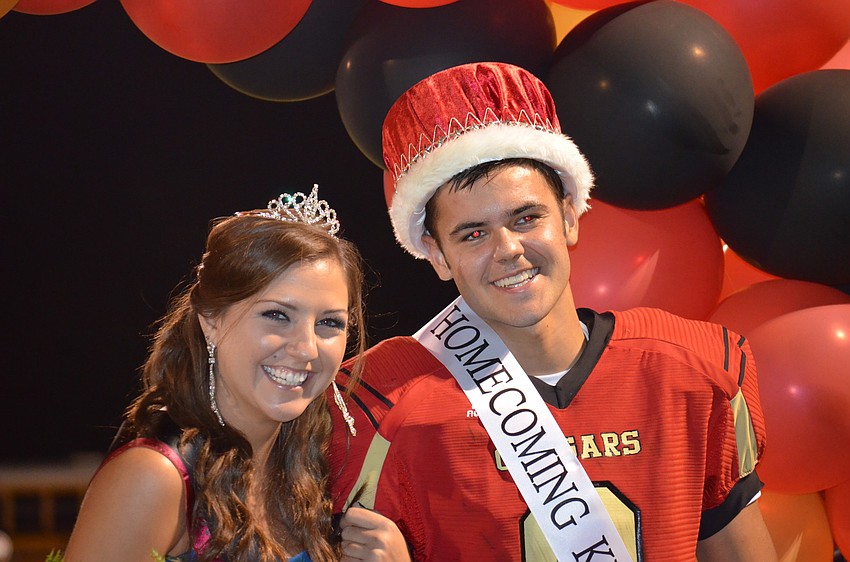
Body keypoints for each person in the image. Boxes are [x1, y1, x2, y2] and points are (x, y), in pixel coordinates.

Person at [328, 63, 778, 561]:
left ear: (569, 215)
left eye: (526, 218)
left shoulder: (691, 367)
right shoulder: (378, 401)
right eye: (473, 233)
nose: (508, 250)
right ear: (435, 254)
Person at [64, 186, 411, 562]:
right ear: (210, 319)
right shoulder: (155, 478)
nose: (307, 348)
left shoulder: (313, 471)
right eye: (277, 315)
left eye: (329, 323)